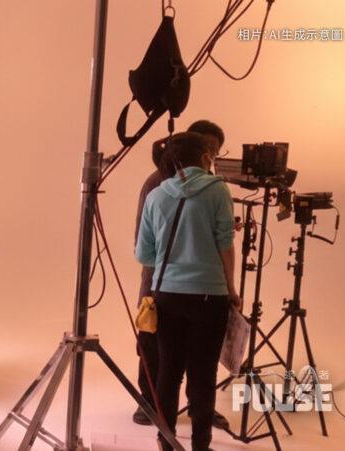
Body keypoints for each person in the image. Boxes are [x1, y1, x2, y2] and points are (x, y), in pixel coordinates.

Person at [136, 132, 243, 451]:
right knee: (203, 375)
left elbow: (144, 254)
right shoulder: (218, 190)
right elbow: (225, 244)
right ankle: (200, 444)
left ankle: (166, 441)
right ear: (206, 157)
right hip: (210, 296)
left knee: (168, 372)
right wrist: (231, 288)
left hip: (166, 295)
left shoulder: (156, 195)